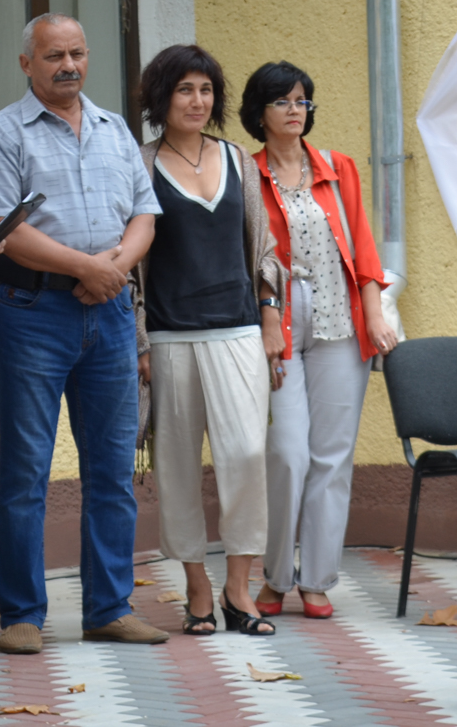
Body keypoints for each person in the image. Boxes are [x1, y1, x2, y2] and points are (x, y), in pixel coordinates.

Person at [0, 13, 168, 655]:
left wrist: (112, 269)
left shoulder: (114, 130)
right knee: (26, 469)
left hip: (109, 315)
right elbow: (1, 227)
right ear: (27, 63)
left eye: (77, 52)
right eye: (54, 55)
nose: (69, 65)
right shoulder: (1, 133)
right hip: (33, 312)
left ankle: (109, 607)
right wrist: (87, 268)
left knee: (111, 469)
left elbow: (144, 215)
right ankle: (22, 615)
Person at [133, 45, 285, 636]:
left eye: (205, 89)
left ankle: (238, 588)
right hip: (169, 337)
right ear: (161, 97)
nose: (197, 101)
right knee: (175, 468)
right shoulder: (142, 164)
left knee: (246, 456)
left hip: (239, 331)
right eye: (184, 90)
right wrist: (141, 343)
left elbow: (264, 248)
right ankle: (197, 587)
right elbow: (131, 266)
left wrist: (270, 318)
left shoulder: (238, 160)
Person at [240, 61, 396, 621]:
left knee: (332, 456)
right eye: (282, 101)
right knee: (287, 453)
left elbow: (363, 246)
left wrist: (374, 314)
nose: (295, 110)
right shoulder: (246, 173)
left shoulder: (338, 167)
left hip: (339, 318)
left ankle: (317, 578)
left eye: (302, 101)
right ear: (259, 112)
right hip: (279, 321)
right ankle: (276, 575)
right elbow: (249, 257)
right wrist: (264, 318)